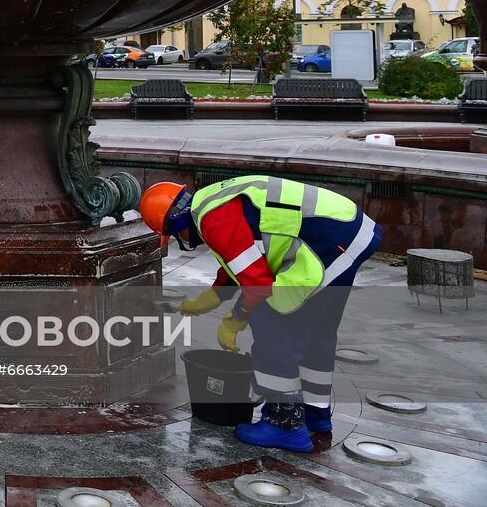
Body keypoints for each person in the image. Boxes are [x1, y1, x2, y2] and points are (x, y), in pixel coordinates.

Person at [139, 176, 382, 453]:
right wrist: (208, 300)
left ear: (177, 226)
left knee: (272, 323)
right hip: (347, 232)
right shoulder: (211, 203)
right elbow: (240, 261)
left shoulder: (213, 221)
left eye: (174, 237)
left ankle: (285, 423)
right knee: (318, 334)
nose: (181, 241)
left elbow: (258, 285)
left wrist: (235, 320)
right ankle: (315, 415)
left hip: (327, 245)